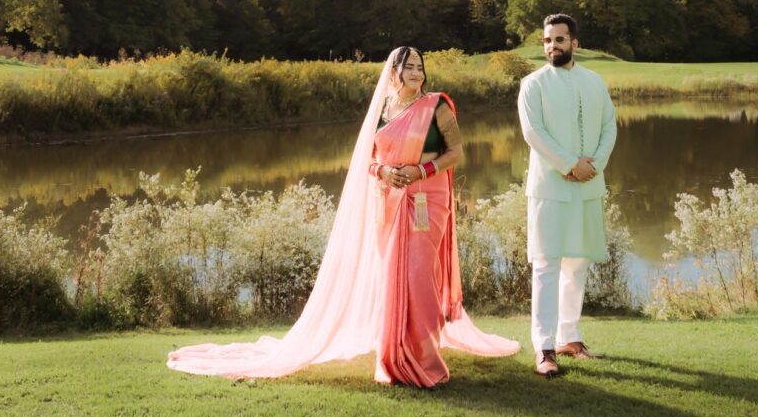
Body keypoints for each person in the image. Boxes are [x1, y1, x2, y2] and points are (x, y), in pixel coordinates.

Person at [166, 46, 520, 385]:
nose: (416, 72)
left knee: (420, 275)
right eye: (408, 66)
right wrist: (383, 171)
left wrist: (420, 171)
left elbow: (456, 152)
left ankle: (424, 358)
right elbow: (367, 159)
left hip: (427, 201)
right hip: (389, 201)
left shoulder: (436, 105)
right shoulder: (383, 110)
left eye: (419, 66)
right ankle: (393, 354)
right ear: (393, 72)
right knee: (392, 278)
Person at [517, 12, 617, 375]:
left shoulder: (595, 82)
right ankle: (544, 348)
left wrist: (594, 166)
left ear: (574, 43)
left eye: (559, 39)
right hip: (549, 187)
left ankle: (569, 338)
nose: (552, 46)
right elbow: (533, 132)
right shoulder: (533, 84)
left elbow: (609, 127)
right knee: (546, 265)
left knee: (578, 264)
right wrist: (571, 164)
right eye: (547, 40)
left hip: (588, 184)